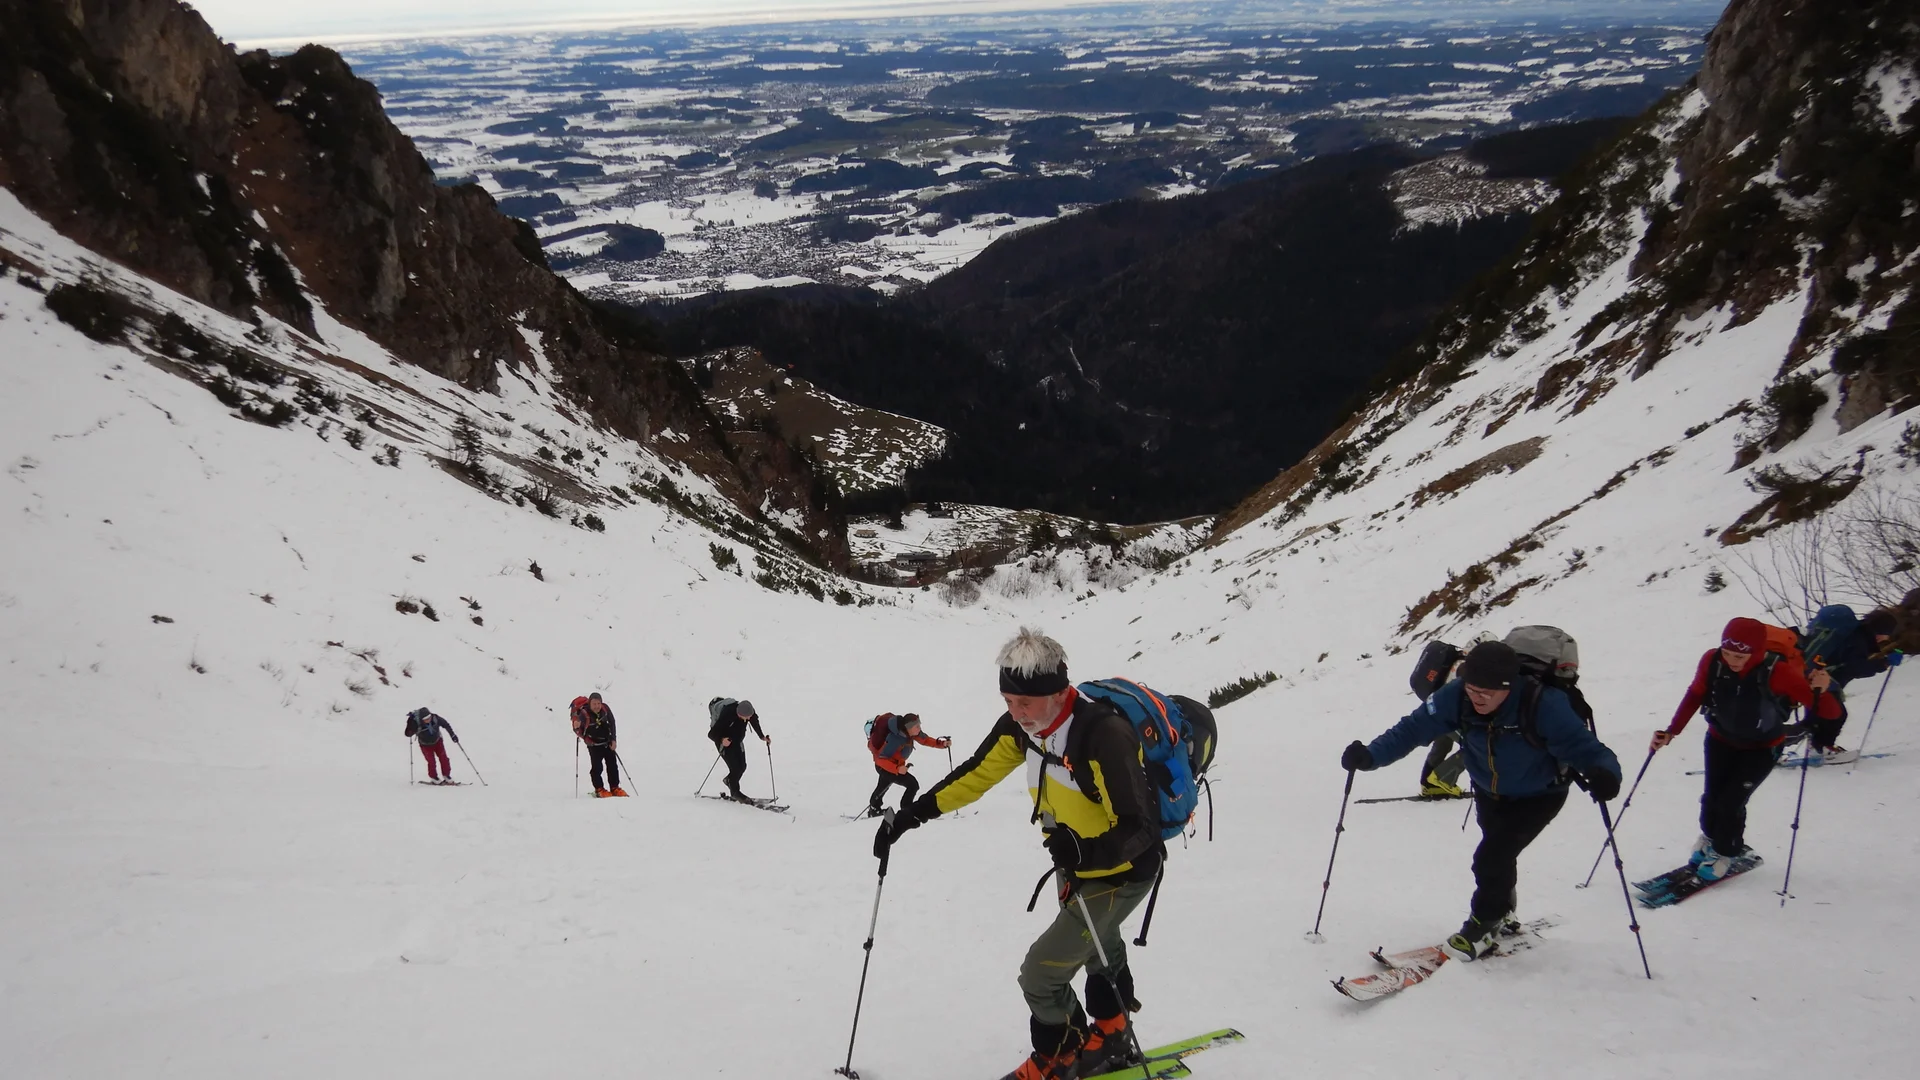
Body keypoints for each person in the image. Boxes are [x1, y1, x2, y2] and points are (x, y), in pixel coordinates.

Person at [874, 628, 1160, 1080]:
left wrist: (1084, 853)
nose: (1016, 712)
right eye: (1008, 700)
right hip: (1076, 862)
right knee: (1098, 945)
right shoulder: (1020, 728)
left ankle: (1060, 1056)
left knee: (1041, 975)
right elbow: (975, 774)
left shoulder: (1103, 734)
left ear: (1060, 692)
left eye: (1025, 702)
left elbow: (1141, 828)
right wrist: (912, 816)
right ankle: (1113, 1030)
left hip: (1122, 870)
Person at [1341, 640, 1621, 960]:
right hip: (1489, 793)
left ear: (1509, 686)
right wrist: (1370, 756)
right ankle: (1503, 907)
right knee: (1499, 853)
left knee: (1491, 857)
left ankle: (1484, 924)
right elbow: (1412, 729)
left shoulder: (1543, 704)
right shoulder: (1457, 696)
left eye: (1487, 692)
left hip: (1540, 795)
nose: (1478, 698)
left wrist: (1605, 774)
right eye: (1473, 688)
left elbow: (1587, 749)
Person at [1651, 617, 1833, 878]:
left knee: (1731, 802)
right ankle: (1711, 838)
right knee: (1712, 796)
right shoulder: (1712, 661)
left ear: (1757, 652)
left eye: (1740, 655)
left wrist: (1821, 691)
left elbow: (1828, 711)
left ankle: (1726, 852)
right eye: (1727, 653)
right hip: (1719, 739)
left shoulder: (1778, 672)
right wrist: (1671, 731)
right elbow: (1695, 693)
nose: (1732, 661)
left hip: (1762, 747)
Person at [1802, 608, 1900, 763]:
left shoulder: (1855, 633)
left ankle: (1817, 748)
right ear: (1881, 630)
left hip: (1815, 676)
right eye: (1888, 633)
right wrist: (1883, 663)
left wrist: (1885, 655)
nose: (1886, 638)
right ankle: (1822, 749)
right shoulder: (1859, 638)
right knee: (1836, 714)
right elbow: (1856, 667)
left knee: (1820, 715)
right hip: (1824, 679)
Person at [865, 712, 951, 817]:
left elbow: (926, 740)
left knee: (883, 785)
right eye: (917, 726)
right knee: (912, 785)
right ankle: (906, 809)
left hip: (895, 766)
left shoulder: (910, 733)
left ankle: (874, 809)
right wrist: (897, 769)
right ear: (909, 727)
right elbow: (880, 759)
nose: (919, 728)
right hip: (885, 767)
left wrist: (942, 744)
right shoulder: (894, 739)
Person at [708, 698, 768, 801]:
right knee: (735, 768)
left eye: (749, 716)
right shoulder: (728, 714)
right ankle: (735, 792)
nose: (749, 719)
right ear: (739, 714)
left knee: (742, 766)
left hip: (737, 741)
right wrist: (722, 740)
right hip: (725, 742)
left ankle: (729, 780)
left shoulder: (749, 712)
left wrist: (762, 736)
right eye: (747, 717)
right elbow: (712, 734)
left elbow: (754, 721)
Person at [571, 692, 625, 797]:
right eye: (594, 704)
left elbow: (612, 722)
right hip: (593, 745)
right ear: (590, 704)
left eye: (599, 703)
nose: (597, 706)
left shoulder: (605, 709)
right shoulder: (583, 714)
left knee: (612, 765)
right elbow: (577, 728)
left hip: (606, 741)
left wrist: (613, 739)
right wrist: (576, 727)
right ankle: (599, 789)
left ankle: (615, 787)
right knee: (597, 767)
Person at [405, 707, 459, 784]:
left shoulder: (435, 718)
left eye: (429, 717)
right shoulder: (417, 723)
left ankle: (446, 775)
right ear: (421, 719)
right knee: (431, 761)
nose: (428, 719)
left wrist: (452, 735)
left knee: (444, 758)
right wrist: (410, 723)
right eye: (425, 719)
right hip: (425, 745)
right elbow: (407, 734)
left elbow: (446, 724)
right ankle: (434, 777)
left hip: (437, 741)